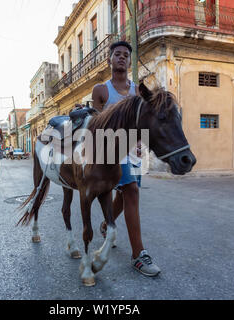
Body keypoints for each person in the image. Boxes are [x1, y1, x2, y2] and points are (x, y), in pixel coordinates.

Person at [91, 41, 161, 277]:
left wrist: (140, 142)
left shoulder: (138, 91)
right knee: (131, 190)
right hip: (111, 149)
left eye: (125, 55)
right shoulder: (101, 90)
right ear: (110, 59)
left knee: (124, 194)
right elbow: (97, 126)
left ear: (130, 61)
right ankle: (138, 255)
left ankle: (105, 224)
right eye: (117, 54)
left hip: (133, 150)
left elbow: (142, 123)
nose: (121, 57)